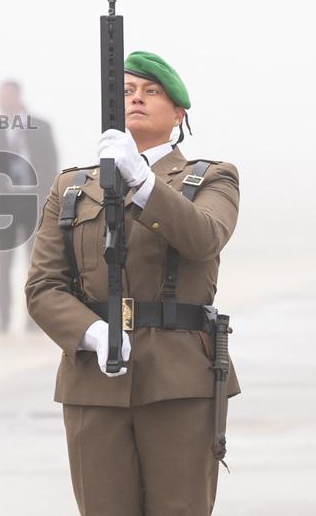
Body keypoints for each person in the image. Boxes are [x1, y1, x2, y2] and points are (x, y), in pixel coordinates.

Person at [25, 51, 240, 515]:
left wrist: (141, 179)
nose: (136, 99)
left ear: (179, 112)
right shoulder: (72, 187)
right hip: (94, 379)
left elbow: (203, 238)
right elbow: (43, 287)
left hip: (179, 380)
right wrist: (92, 333)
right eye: (125, 92)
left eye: (151, 91)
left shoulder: (212, 178)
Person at [0, 80, 58, 332]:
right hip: (4, 206)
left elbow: (51, 164)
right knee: (3, 265)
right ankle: (3, 317)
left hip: (35, 202)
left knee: (36, 264)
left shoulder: (41, 127)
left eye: (6, 96)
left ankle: (34, 317)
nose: (2, 101)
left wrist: (52, 202)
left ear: (18, 97)